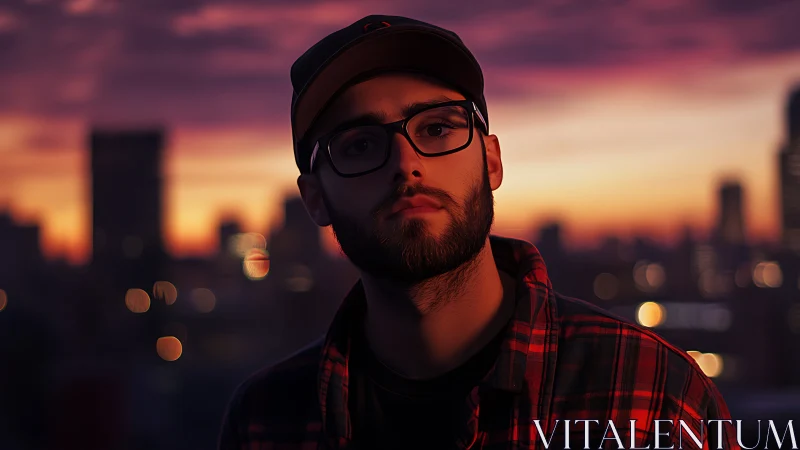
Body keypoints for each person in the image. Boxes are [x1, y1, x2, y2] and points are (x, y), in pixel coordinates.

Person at [218, 15, 738, 450]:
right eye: (358, 146)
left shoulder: (652, 394)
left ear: (491, 161)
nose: (406, 164)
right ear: (315, 199)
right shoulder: (267, 420)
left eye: (438, 128)